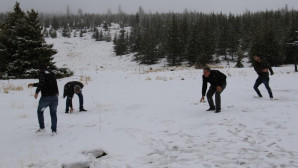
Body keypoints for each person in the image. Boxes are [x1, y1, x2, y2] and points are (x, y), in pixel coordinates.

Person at [28, 66, 59, 135]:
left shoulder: (42, 73)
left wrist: (36, 92)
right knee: (53, 113)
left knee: (40, 111)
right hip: (55, 96)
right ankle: (54, 131)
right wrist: (34, 84)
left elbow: (42, 83)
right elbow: (46, 82)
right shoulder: (51, 73)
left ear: (40, 69)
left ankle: (42, 128)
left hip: (46, 97)